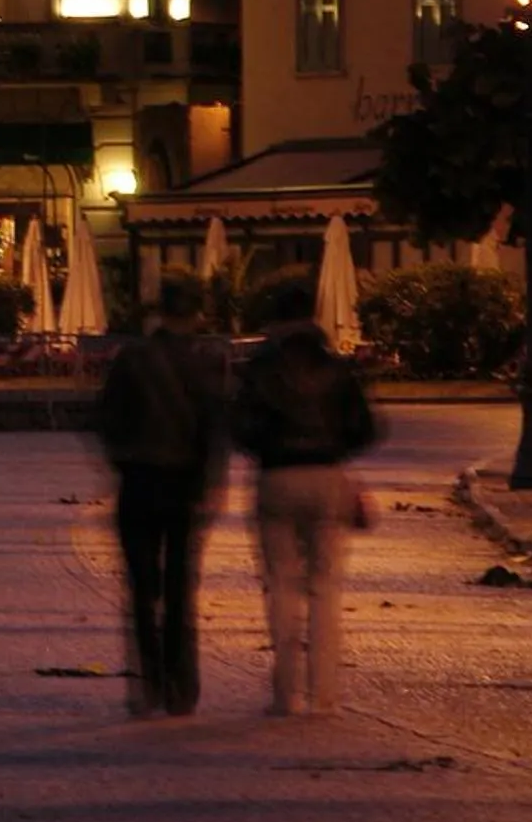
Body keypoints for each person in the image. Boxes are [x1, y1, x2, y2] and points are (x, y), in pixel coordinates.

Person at [232, 275, 381, 718]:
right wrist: (336, 448)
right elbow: (366, 428)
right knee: (325, 586)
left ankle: (285, 695)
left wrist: (265, 447)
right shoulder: (335, 367)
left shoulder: (260, 368)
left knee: (280, 583)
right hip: (327, 476)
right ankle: (324, 695)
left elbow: (239, 426)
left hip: (276, 476)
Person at [97, 269, 229, 717]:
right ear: (196, 312)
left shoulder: (132, 358)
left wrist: (124, 461)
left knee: (141, 587)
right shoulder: (206, 361)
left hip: (138, 482)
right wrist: (212, 481)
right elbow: (215, 428)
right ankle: (180, 685)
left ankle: (148, 682)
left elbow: (106, 420)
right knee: (179, 587)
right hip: (184, 486)